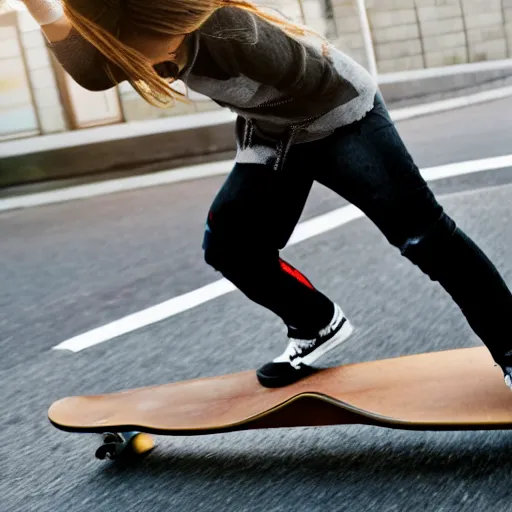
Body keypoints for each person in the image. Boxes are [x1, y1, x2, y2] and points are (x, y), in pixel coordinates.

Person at [20, 0, 512, 388]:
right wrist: (42, 9)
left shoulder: (232, 31)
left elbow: (315, 80)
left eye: (131, 50)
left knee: (425, 237)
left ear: (170, 20)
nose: (128, 64)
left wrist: (293, 158)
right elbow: (93, 71)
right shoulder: (151, 37)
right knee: (230, 245)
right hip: (275, 129)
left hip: (342, 117)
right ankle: (316, 323)